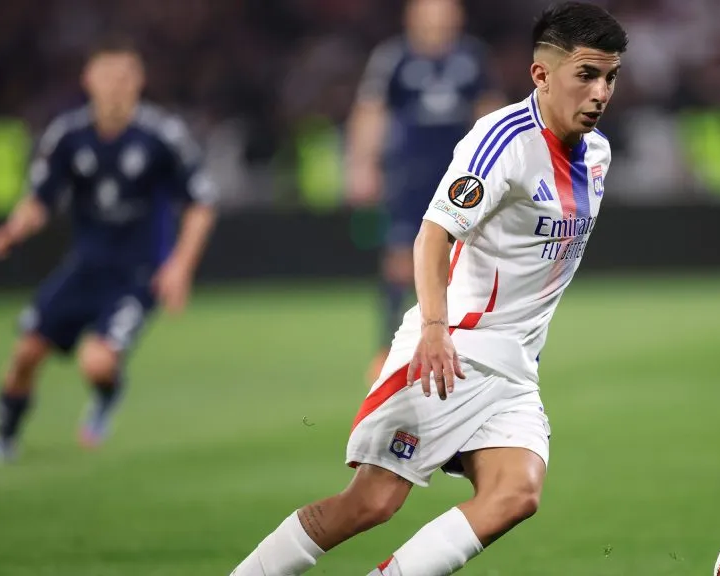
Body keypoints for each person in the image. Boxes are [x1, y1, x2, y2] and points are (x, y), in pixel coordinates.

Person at [229, 2, 626, 575]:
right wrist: (435, 330)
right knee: (371, 504)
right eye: (586, 74)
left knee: (516, 493)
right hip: (453, 351)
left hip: (514, 367)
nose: (600, 92)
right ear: (541, 74)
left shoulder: (598, 154)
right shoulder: (501, 142)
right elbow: (433, 234)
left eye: (610, 76)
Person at [0, 35, 218, 462]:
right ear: (88, 79)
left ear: (139, 80)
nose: (116, 84)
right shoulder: (68, 135)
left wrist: (179, 266)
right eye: (108, 75)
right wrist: (12, 230)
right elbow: (40, 200)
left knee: (96, 362)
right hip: (84, 267)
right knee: (26, 352)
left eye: (125, 75)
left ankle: (105, 395)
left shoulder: (161, 135)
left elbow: (201, 204)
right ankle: (6, 435)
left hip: (137, 274)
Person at [344, 0, 504, 383]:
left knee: (463, 259)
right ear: (412, 18)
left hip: (457, 175)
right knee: (401, 260)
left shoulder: (472, 57)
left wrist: (499, 168)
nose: (438, 22)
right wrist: (363, 164)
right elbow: (371, 110)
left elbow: (490, 112)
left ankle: (463, 345)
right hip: (408, 174)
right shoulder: (394, 58)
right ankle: (388, 350)